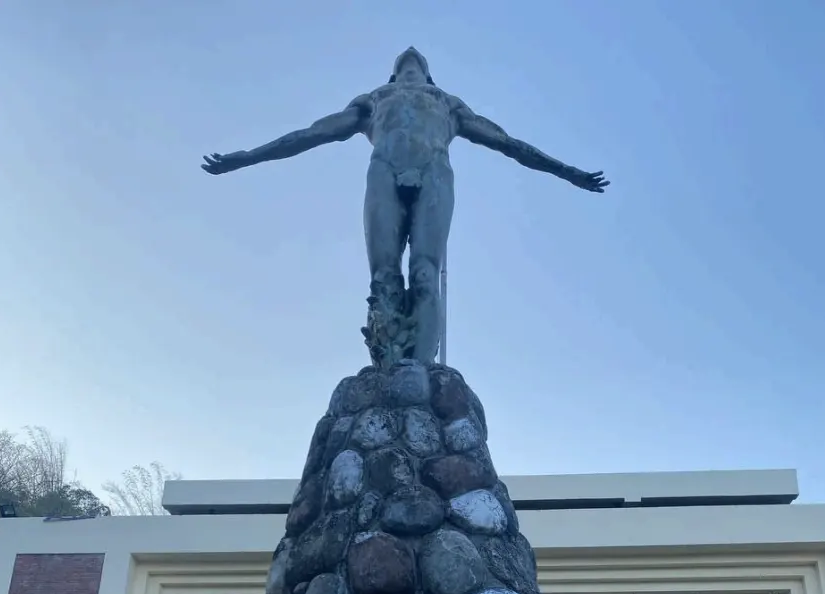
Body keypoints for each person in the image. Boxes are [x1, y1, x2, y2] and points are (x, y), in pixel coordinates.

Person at [202, 47, 608, 365]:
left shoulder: (447, 102)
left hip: (433, 171)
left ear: (429, 75)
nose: (410, 55)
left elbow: (508, 143)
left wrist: (566, 171)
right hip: (384, 170)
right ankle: (388, 366)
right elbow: (313, 133)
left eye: (417, 62)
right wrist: (249, 157)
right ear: (393, 74)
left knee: (425, 273)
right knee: (383, 275)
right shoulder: (374, 99)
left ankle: (419, 368)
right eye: (403, 62)